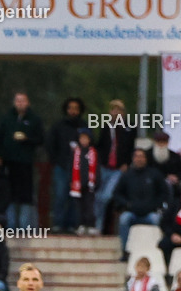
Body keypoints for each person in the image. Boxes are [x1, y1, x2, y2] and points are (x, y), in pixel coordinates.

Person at [0, 92, 44, 229]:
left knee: (26, 195)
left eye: (23, 101)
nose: (20, 103)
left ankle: (25, 226)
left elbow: (40, 139)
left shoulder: (34, 119)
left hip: (26, 163)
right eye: (18, 100)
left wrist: (27, 139)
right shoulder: (7, 118)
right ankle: (10, 225)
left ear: (28, 102)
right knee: (9, 193)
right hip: (9, 162)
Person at [114, 149, 168, 258]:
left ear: (146, 159)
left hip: (150, 213)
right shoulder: (127, 175)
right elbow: (117, 193)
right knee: (124, 219)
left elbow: (164, 193)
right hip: (132, 212)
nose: (139, 159)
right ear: (133, 158)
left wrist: (154, 205)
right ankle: (125, 251)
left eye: (142, 156)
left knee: (156, 220)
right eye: (137, 156)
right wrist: (127, 204)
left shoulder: (154, 174)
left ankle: (158, 252)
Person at [94, 99, 137, 235]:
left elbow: (131, 148)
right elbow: (100, 145)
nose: (116, 112)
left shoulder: (129, 128)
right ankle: (98, 226)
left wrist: (127, 163)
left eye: (119, 110)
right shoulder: (106, 127)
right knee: (98, 196)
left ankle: (101, 226)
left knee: (106, 196)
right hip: (105, 166)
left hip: (118, 168)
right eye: (114, 110)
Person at [46, 97, 86, 233]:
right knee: (60, 195)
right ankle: (58, 223)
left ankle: (71, 224)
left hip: (79, 168)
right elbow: (50, 143)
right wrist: (55, 160)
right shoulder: (58, 126)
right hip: (61, 166)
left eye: (76, 108)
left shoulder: (84, 126)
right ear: (66, 109)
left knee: (74, 197)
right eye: (70, 108)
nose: (73, 111)